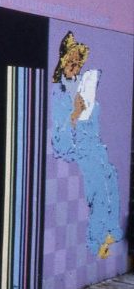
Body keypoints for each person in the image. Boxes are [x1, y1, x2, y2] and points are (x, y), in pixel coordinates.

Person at [50, 31, 121, 259]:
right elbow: (59, 134)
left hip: (91, 142)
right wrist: (75, 113)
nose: (75, 67)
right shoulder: (58, 91)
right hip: (72, 145)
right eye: (71, 63)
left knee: (111, 173)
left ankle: (111, 231)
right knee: (98, 182)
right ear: (63, 63)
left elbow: (93, 121)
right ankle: (96, 239)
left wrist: (89, 109)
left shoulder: (81, 85)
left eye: (78, 63)